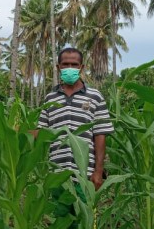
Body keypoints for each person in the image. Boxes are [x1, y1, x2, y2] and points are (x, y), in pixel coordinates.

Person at [36, 47, 114, 225]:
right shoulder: (50, 98)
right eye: (65, 64)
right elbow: (41, 132)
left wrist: (98, 172)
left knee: (84, 221)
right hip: (57, 174)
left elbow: (100, 134)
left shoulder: (95, 97)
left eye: (74, 64)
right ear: (58, 67)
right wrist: (16, 132)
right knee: (61, 222)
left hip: (84, 176)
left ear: (82, 67)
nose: (69, 68)